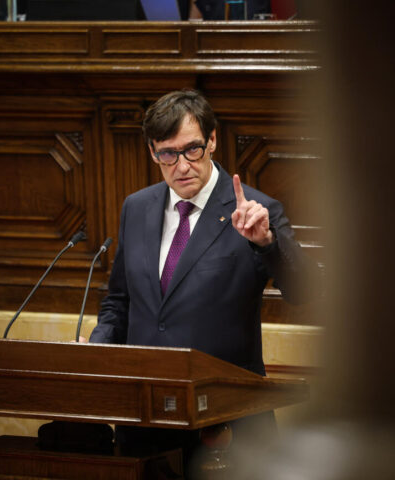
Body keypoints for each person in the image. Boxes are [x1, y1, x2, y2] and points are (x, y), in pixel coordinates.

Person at [87, 89, 317, 474]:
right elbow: (120, 301)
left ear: (212, 140)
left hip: (226, 423)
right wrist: (97, 352)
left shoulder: (254, 210)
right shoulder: (137, 207)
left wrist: (267, 243)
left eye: (192, 149)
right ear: (152, 151)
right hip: (144, 422)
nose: (181, 166)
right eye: (167, 154)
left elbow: (306, 291)